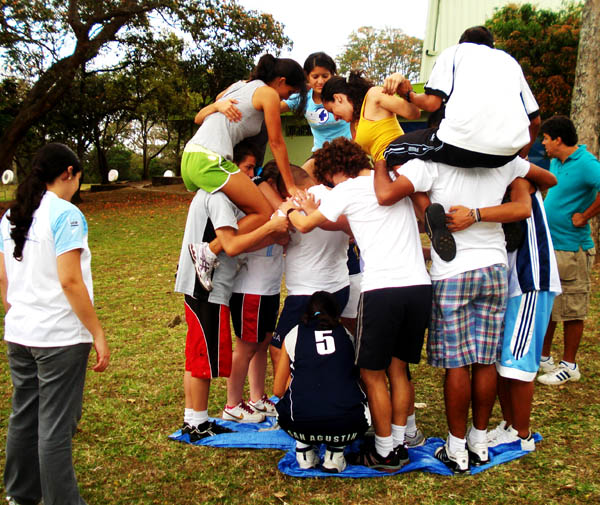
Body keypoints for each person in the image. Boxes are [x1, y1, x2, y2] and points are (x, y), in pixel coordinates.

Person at [385, 150, 556, 473]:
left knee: (457, 364)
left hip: (452, 272)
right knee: (485, 360)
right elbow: (543, 184)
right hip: (493, 267)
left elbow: (394, 181)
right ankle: (478, 442)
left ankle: (456, 447)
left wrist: (421, 201)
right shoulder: (503, 160)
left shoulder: (429, 164)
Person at [280, 138, 432, 471]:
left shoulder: (347, 189)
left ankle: (384, 451)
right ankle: (400, 440)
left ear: (336, 170)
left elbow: (305, 224)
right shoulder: (393, 183)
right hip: (419, 286)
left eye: (329, 177)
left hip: (383, 290)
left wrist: (293, 207)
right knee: (399, 369)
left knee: (372, 373)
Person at [0, 143, 110, 505]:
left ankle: (21, 494)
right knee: (55, 427)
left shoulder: (11, 216)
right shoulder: (67, 215)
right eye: (78, 178)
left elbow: (5, 279)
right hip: (59, 338)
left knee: (24, 415)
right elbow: (70, 281)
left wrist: (15, 310)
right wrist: (96, 331)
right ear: (68, 173)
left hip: (20, 333)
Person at [445, 176, 560, 451]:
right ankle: (510, 425)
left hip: (529, 279)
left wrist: (474, 215)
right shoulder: (498, 176)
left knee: (518, 363)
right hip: (509, 279)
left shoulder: (520, 177)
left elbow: (543, 179)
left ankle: (522, 435)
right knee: (504, 362)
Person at [175, 181, 289, 441]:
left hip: (208, 286)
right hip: (208, 287)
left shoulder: (213, 196)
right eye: (246, 170)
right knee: (204, 357)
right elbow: (232, 244)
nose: (250, 178)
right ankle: (201, 420)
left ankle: (193, 419)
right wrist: (270, 225)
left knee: (197, 355)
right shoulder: (219, 198)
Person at [183, 54, 306, 291]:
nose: (287, 97)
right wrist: (290, 186)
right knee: (263, 211)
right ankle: (208, 251)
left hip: (192, 156)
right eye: (289, 91)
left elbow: (213, 105)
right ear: (280, 81)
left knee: (231, 209)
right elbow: (277, 142)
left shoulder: (240, 86)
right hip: (210, 159)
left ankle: (208, 255)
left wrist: (217, 104)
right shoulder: (268, 94)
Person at [378, 25, 540, 169]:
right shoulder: (510, 61)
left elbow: (432, 104)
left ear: (461, 43)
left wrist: (409, 94)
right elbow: (535, 121)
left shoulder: (454, 52)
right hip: (506, 155)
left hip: (460, 147)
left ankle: (426, 204)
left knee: (392, 151)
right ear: (493, 46)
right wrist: (520, 156)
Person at [273, 291, 369, 473]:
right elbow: (356, 382)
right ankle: (335, 454)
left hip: (298, 425)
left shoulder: (294, 334)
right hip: (346, 427)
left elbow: (278, 390)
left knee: (295, 399)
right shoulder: (347, 336)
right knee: (351, 397)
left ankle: (304, 449)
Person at [537, 115, 600, 385]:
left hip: (573, 249)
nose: (543, 143)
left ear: (558, 139)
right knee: (550, 305)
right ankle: (543, 357)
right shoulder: (555, 161)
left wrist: (585, 216)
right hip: (552, 246)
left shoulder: (586, 164)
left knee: (572, 309)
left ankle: (570, 365)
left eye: (546, 138)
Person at [223, 147, 285, 422]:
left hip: (269, 287)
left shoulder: (271, 204)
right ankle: (232, 404)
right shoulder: (245, 204)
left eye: (254, 169)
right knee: (246, 346)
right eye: (247, 168)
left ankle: (257, 397)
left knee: (262, 343)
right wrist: (274, 235)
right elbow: (239, 242)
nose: (252, 175)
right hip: (251, 289)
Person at [269, 165, 351, 372]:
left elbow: (277, 235)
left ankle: (289, 396)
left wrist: (284, 208)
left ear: (289, 189)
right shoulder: (338, 196)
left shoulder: (292, 203)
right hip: (339, 288)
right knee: (326, 343)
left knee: (279, 347)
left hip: (306, 293)